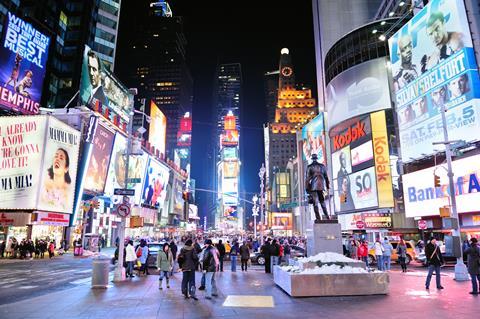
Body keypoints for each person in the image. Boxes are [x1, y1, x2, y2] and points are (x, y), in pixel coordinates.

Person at [305, 153, 330, 221]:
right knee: (322, 202)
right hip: (321, 187)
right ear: (317, 158)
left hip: (314, 187)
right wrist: (327, 186)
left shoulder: (309, 167)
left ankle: (318, 218)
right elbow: (326, 177)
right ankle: (327, 217)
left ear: (312, 159)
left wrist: (307, 188)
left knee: (315, 203)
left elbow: (307, 179)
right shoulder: (322, 166)